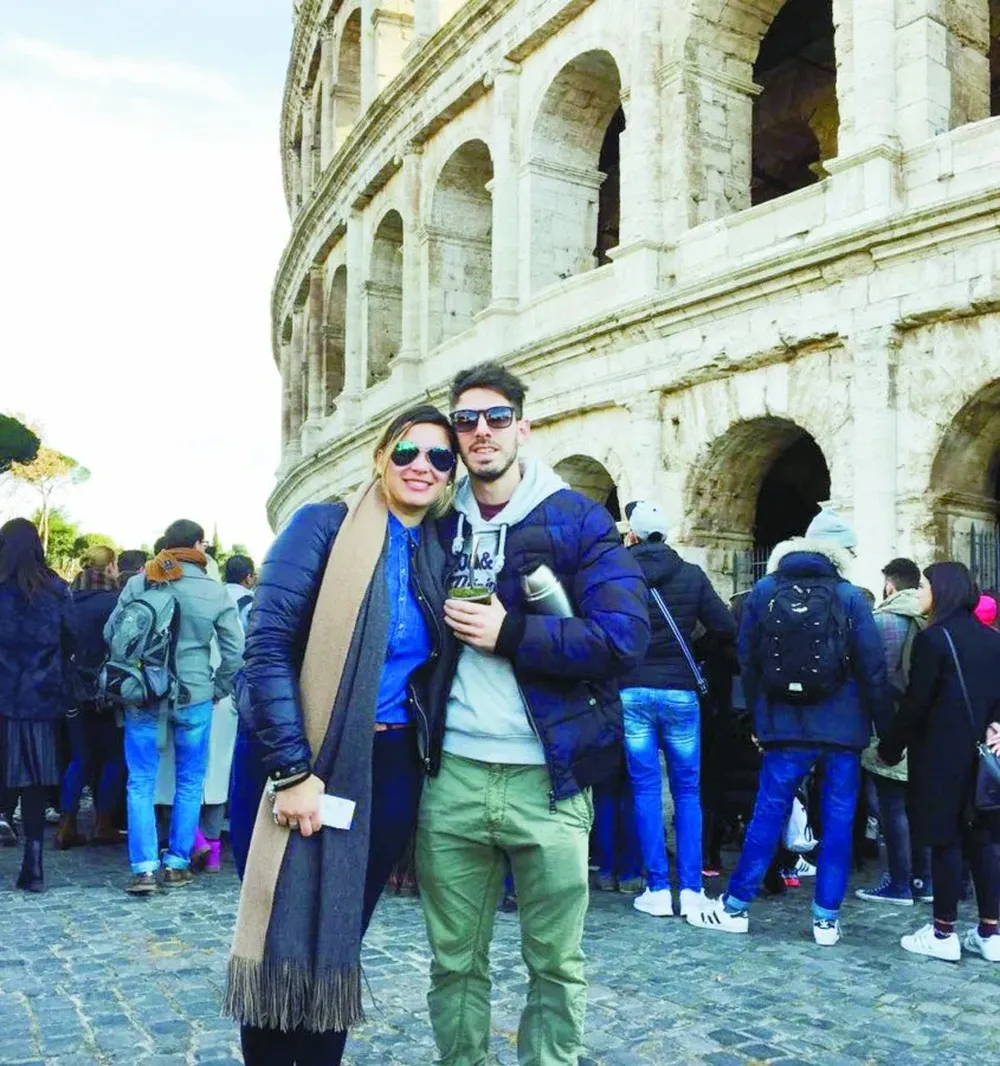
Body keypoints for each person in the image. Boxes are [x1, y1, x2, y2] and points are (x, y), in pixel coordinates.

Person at [416, 362, 650, 1066]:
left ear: (523, 425)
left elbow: (624, 638)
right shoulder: (435, 519)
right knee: (454, 964)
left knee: (556, 964)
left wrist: (511, 633)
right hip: (451, 775)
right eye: (465, 422)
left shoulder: (577, 518)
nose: (480, 432)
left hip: (549, 780)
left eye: (494, 418)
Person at [224, 404, 459, 1066]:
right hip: (296, 757)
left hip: (385, 766)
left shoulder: (437, 553)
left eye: (440, 459)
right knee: (280, 939)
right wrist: (293, 772)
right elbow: (265, 647)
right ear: (380, 456)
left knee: (339, 938)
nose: (423, 467)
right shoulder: (321, 526)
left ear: (449, 476)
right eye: (408, 452)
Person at [688, 509, 891, 945]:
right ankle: (826, 920)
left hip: (784, 726)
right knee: (838, 822)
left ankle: (737, 907)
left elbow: (750, 662)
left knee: (768, 814)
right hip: (842, 730)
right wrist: (884, 729)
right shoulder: (852, 596)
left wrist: (761, 721)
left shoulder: (764, 591)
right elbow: (874, 668)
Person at [106, 519, 244, 895]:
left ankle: (144, 869)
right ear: (199, 545)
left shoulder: (139, 582)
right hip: (194, 695)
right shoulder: (214, 592)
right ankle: (177, 863)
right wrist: (219, 687)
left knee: (140, 781)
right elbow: (235, 651)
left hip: (143, 694)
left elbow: (111, 633)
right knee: (189, 780)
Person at [619, 499, 737, 918]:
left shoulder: (619, 573)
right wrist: (690, 644)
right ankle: (690, 889)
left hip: (631, 689)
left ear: (630, 534)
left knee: (646, 790)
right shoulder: (690, 574)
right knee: (688, 792)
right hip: (681, 692)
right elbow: (725, 628)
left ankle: (656, 888)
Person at [878, 562, 1000, 963]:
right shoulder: (992, 639)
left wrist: (890, 746)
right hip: (983, 759)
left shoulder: (934, 640)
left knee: (946, 842)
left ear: (942, 591)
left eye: (927, 585)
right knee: (983, 843)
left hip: (942, 757)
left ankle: (943, 931)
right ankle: (990, 932)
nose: (922, 592)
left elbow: (916, 705)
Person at [0, 518, 75, 892]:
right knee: (33, 784)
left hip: (4, 698)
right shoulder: (57, 590)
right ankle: (34, 864)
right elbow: (72, 640)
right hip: (40, 701)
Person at [855, 557, 931, 906]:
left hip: (889, 725)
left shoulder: (881, 620)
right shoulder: (931, 618)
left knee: (892, 806)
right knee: (921, 805)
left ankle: (899, 882)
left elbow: (874, 677)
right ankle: (924, 880)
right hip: (927, 726)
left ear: (889, 584)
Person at [191, 553, 256, 873]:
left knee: (181, 776)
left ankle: (190, 841)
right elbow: (238, 654)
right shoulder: (240, 604)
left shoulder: (170, 598)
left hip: (185, 695)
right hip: (226, 696)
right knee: (217, 772)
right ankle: (213, 851)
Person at [57, 545, 125, 849]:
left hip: (72, 687)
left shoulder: (68, 598)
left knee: (79, 757)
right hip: (105, 689)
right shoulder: (116, 601)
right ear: (110, 567)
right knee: (113, 757)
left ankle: (66, 825)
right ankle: (103, 823)